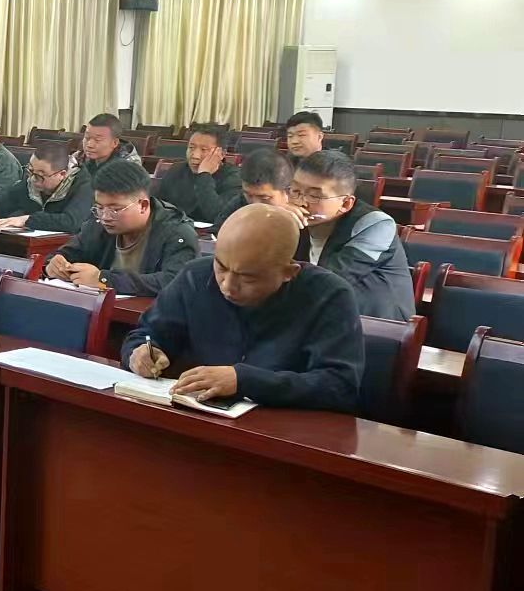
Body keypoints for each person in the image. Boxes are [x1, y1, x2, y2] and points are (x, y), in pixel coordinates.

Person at [121, 204, 363, 412]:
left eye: (247, 278)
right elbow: (146, 335)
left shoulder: (329, 295)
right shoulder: (195, 276)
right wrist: (140, 353)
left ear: (288, 272)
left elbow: (340, 386)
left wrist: (245, 381)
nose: (227, 286)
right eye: (221, 267)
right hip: (196, 415)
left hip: (282, 431)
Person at [289, 151, 415, 320]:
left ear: (346, 203)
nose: (300, 202)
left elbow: (328, 280)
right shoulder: (293, 220)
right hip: (322, 315)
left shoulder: (377, 225)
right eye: (295, 190)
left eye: (314, 196)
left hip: (377, 325)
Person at [46, 161, 199, 296]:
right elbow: (67, 253)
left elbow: (175, 281)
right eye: (99, 207)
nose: (105, 216)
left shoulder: (177, 232)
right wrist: (54, 264)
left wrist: (103, 279)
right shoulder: (99, 223)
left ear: (143, 205)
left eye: (115, 209)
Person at [0, 141, 94, 234]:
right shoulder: (30, 180)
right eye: (30, 170)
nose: (33, 179)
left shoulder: (84, 185)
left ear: (61, 174)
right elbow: (1, 205)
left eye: (40, 175)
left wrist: (27, 220)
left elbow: (71, 222)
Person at [153, 124, 240, 222]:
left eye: (204, 150)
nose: (195, 156)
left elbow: (218, 216)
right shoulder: (176, 169)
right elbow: (158, 205)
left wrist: (204, 175)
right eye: (191, 148)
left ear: (222, 154)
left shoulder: (234, 178)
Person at [213, 148, 295, 230]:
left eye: (264, 198)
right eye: (249, 195)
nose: (254, 204)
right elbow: (216, 231)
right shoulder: (241, 201)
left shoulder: (298, 220)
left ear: (288, 192)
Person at [73, 113, 140, 179]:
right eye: (87, 138)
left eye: (97, 140)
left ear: (115, 143)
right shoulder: (79, 157)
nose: (89, 145)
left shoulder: (130, 166)